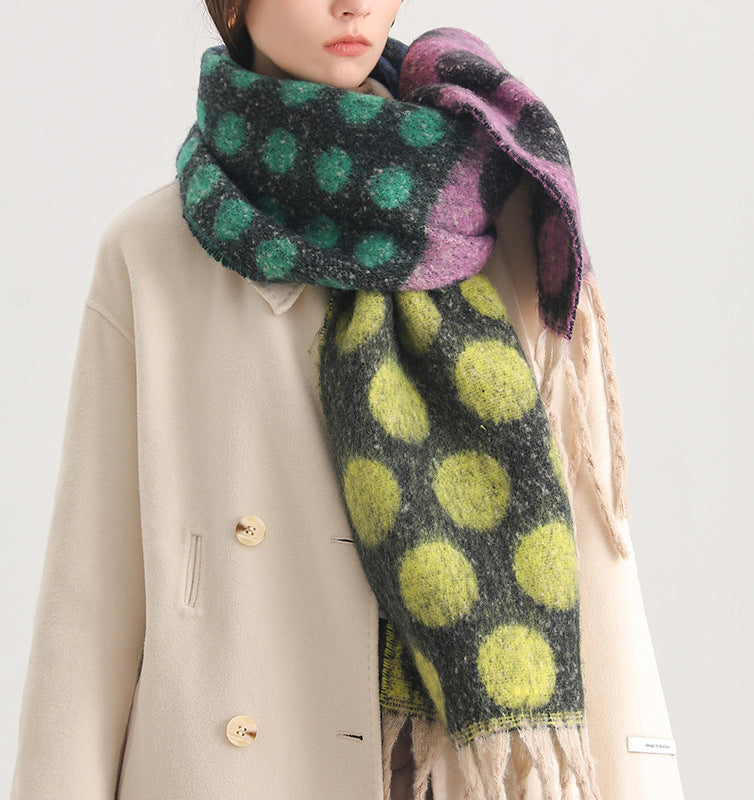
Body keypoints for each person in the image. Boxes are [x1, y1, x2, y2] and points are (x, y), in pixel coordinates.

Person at [9, 2, 685, 799]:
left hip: (453, 774)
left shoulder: (503, 220)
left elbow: (589, 544)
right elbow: (91, 597)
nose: (353, 4)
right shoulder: (153, 251)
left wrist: (639, 772)